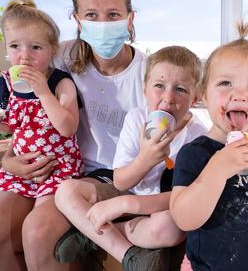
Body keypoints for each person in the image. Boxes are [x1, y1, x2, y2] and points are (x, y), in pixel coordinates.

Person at [0, 0, 147, 271]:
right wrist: (10, 159)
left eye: (113, 14)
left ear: (130, 18)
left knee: (38, 232)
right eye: (91, 14)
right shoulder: (58, 55)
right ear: (76, 19)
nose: (102, 24)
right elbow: (28, 117)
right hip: (51, 169)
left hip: (111, 177)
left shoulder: (147, 73)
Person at [55, 45, 208, 269]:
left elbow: (185, 198)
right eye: (159, 86)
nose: (168, 98)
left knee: (170, 229)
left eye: (181, 90)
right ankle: (129, 254)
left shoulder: (198, 137)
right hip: (127, 190)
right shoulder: (136, 118)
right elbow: (120, 181)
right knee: (65, 191)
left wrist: (127, 204)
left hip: (159, 207)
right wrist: (145, 159)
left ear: (194, 99)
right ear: (145, 89)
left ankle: (91, 234)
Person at [0, 0, 82, 270]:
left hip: (56, 168)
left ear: (52, 50)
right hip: (21, 164)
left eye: (35, 47)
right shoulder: (8, 84)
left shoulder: (60, 83)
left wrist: (43, 93)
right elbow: (16, 127)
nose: (24, 56)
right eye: (15, 46)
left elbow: (67, 127)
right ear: (6, 48)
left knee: (38, 228)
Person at [169, 21, 248, 270]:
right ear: (204, 95)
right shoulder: (195, 153)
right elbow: (184, 218)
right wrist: (218, 168)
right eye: (225, 83)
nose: (240, 95)